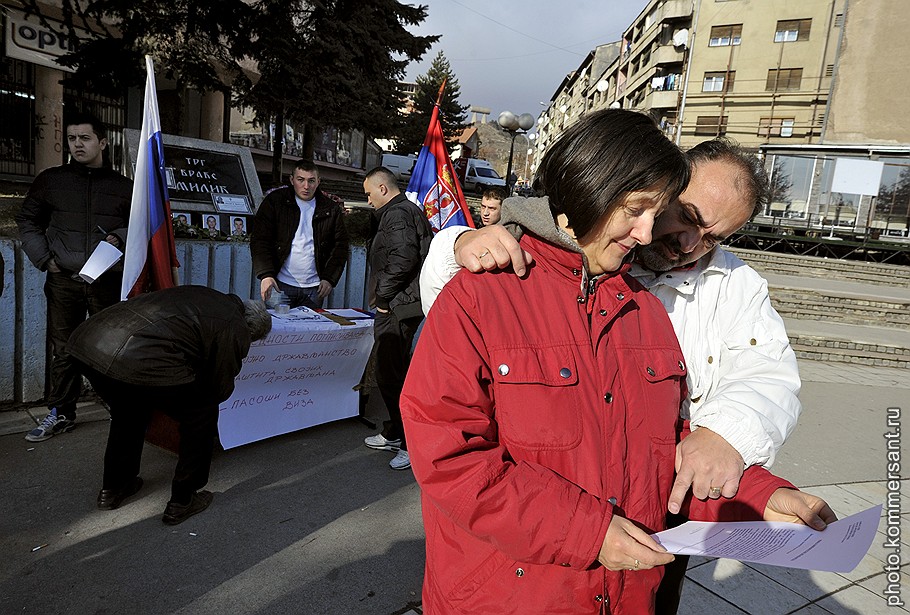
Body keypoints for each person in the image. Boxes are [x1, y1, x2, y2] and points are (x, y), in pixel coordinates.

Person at [400, 109, 834, 614]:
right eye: (647, 210)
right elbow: (450, 454)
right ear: (596, 187)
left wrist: (759, 499)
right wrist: (587, 532)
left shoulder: (645, 309)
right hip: (508, 593)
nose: (654, 236)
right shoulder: (483, 290)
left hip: (626, 588)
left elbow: (662, 447)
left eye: (713, 237)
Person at [67, 286, 271, 525]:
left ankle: (114, 487)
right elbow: (218, 386)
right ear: (250, 329)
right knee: (201, 413)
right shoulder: (234, 325)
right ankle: (183, 500)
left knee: (128, 410)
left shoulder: (208, 295)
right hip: (133, 357)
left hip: (87, 344)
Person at [16, 111, 132, 443]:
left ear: (103, 142)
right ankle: (61, 412)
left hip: (107, 279)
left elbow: (144, 224)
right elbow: (28, 220)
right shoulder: (52, 180)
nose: (77, 144)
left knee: (110, 347)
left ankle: (118, 406)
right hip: (64, 279)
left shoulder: (123, 187)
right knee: (63, 349)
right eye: (71, 138)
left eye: (85, 138)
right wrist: (45, 259)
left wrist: (120, 235)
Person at [361, 166, 432, 471]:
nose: (367, 201)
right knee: (390, 374)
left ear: (382, 189)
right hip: (402, 305)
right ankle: (393, 432)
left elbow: (404, 259)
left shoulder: (397, 214)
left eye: (368, 194)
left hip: (399, 308)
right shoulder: (400, 211)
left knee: (394, 376)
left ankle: (407, 443)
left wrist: (384, 300)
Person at [250, 159, 349, 310]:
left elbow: (340, 247)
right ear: (291, 179)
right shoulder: (275, 202)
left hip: (315, 289)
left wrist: (329, 278)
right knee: (277, 331)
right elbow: (260, 239)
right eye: (300, 180)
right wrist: (266, 275)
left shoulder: (330, 209)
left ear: (318, 181)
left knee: (310, 331)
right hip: (279, 284)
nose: (306, 186)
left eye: (311, 181)